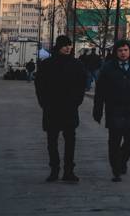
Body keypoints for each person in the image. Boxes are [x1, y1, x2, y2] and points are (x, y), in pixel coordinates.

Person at [93, 39, 130, 182]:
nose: (123, 53)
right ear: (116, 52)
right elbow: (100, 91)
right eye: (120, 50)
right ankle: (116, 169)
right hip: (114, 109)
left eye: (125, 50)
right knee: (114, 140)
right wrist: (98, 109)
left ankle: (123, 160)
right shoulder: (108, 67)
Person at [34, 35, 87, 182]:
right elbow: (39, 85)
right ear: (58, 47)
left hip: (70, 107)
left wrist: (77, 101)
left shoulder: (77, 64)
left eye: (69, 45)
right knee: (52, 140)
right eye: (65, 45)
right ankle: (54, 169)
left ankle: (69, 170)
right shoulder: (47, 64)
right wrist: (44, 103)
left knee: (70, 140)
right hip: (52, 108)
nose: (68, 48)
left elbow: (82, 84)